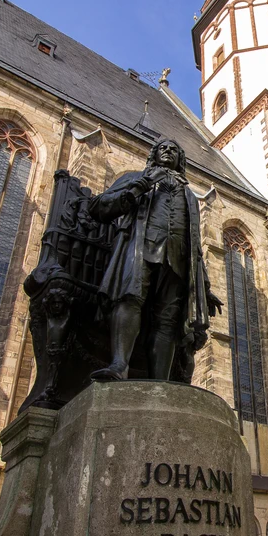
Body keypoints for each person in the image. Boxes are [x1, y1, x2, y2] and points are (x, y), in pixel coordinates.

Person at [87, 138, 221, 381]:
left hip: (178, 259)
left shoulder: (190, 196)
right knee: (130, 297)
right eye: (163, 148)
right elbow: (98, 207)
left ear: (181, 160)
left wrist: (205, 286)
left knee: (168, 319)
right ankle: (119, 365)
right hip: (142, 247)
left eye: (174, 149)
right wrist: (137, 189)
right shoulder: (138, 179)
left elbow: (197, 247)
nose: (168, 151)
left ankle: (161, 381)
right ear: (154, 155)